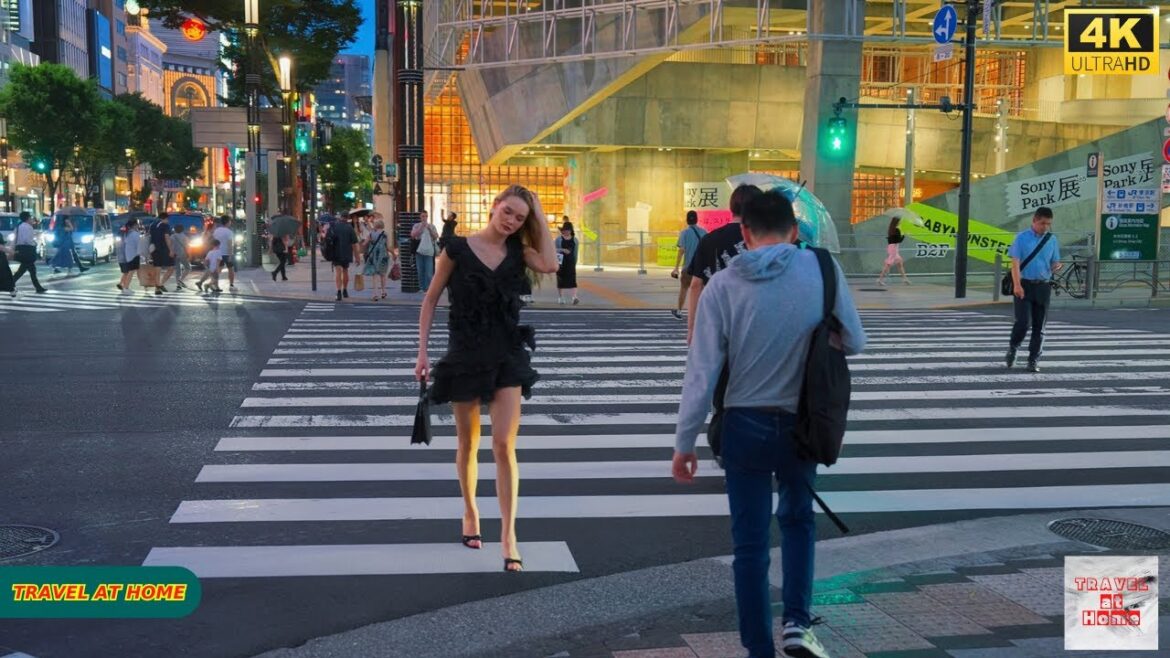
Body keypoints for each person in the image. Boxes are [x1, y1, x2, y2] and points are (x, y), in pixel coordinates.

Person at [673, 191, 867, 658]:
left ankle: (758, 648)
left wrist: (684, 444)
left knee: (750, 545)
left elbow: (702, 370)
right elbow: (856, 341)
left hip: (743, 427)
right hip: (802, 424)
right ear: (794, 231)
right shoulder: (822, 270)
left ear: (744, 233)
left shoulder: (721, 286)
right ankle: (798, 624)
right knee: (798, 521)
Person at [415, 185, 558, 573]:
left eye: (519, 217)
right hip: (464, 352)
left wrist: (539, 211)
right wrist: (423, 353)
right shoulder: (457, 249)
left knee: (503, 445)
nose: (511, 221)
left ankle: (509, 534)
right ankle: (470, 512)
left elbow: (550, 264)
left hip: (507, 355)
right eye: (507, 211)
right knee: (468, 441)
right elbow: (429, 299)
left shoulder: (518, 252)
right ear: (494, 207)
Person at [685, 184, 762, 344]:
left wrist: (692, 328)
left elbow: (695, 285)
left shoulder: (709, 239)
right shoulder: (762, 240)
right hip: (753, 321)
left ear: (731, 207)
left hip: (715, 321)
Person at [1007, 206, 1061, 373]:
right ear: (1034, 221)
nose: (1045, 227)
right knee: (1023, 322)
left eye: (1048, 224)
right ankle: (1013, 347)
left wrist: (1056, 266)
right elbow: (1015, 264)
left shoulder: (1052, 239)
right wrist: (1017, 284)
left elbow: (1055, 262)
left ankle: (1033, 360)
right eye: (1042, 223)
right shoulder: (1021, 238)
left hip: (1043, 286)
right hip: (1025, 285)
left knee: (1040, 326)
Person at [671, 210, 707, 320]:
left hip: (688, 267)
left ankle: (679, 311)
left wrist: (676, 268)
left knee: (684, 288)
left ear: (687, 220)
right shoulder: (704, 232)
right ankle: (702, 313)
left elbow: (681, 250)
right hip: (700, 268)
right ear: (697, 219)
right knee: (700, 290)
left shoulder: (684, 233)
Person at [11, 211, 47, 294]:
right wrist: (34, 243)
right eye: (30, 217)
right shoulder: (28, 227)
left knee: (24, 269)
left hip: (21, 249)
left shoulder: (19, 226)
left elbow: (16, 239)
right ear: (27, 218)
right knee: (29, 269)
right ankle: (38, 287)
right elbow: (27, 240)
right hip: (27, 250)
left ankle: (38, 287)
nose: (32, 219)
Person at [327, 214, 360, 300]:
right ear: (348, 218)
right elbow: (354, 244)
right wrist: (357, 257)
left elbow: (328, 239)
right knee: (345, 271)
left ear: (341, 217)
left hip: (336, 253)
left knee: (338, 272)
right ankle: (345, 290)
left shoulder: (334, 226)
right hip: (347, 253)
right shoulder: (350, 228)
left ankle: (338, 292)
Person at [363, 216, 391, 301]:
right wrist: (393, 253)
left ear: (375, 225)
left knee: (374, 275)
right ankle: (383, 292)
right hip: (383, 256)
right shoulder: (385, 234)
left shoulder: (371, 234)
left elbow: (364, 244)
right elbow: (388, 247)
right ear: (382, 225)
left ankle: (375, 294)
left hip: (373, 256)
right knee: (383, 274)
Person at [876, 217, 910, 286]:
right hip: (894, 249)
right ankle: (880, 279)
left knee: (900, 263)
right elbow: (899, 240)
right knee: (888, 265)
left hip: (892, 248)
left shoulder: (891, 229)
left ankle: (905, 279)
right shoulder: (896, 229)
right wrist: (904, 235)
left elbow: (893, 240)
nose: (900, 222)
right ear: (897, 222)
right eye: (900, 221)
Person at [411, 211, 439, 292]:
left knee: (429, 271)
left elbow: (436, 236)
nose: (424, 218)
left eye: (426, 216)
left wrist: (429, 228)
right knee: (420, 270)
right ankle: (422, 287)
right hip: (419, 250)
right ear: (420, 217)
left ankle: (429, 288)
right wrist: (421, 228)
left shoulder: (431, 226)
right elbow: (413, 235)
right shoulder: (416, 226)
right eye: (423, 216)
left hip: (429, 251)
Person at [149, 213, 176, 295]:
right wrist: (171, 250)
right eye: (168, 219)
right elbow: (167, 237)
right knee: (171, 267)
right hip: (164, 250)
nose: (168, 221)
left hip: (154, 249)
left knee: (158, 269)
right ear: (165, 218)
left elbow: (149, 236)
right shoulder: (165, 225)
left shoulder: (152, 225)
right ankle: (161, 284)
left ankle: (157, 289)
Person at [555, 220, 578, 304]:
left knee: (572, 279)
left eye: (568, 230)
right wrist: (562, 250)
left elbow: (575, 252)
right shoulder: (558, 239)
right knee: (560, 279)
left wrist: (575, 262)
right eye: (565, 230)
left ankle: (574, 297)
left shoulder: (575, 240)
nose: (567, 232)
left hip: (570, 262)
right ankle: (561, 297)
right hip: (560, 262)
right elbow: (554, 249)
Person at [116, 218, 142, 292]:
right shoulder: (135, 234)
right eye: (137, 224)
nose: (138, 225)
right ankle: (126, 287)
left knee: (130, 272)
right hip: (134, 255)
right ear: (134, 225)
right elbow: (138, 245)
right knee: (131, 272)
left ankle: (125, 286)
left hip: (129, 255)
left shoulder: (127, 233)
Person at [212, 216, 236, 290]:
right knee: (231, 269)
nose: (230, 223)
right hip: (226, 253)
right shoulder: (229, 232)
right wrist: (230, 255)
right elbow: (230, 244)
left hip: (217, 252)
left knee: (218, 270)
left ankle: (214, 284)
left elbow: (214, 241)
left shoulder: (216, 231)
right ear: (228, 222)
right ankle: (231, 285)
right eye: (230, 221)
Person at [172, 225, 191, 289]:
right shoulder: (185, 237)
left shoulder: (172, 236)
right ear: (182, 230)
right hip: (183, 254)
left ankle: (178, 284)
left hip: (175, 254)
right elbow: (187, 246)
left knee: (177, 269)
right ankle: (181, 280)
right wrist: (189, 254)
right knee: (188, 268)